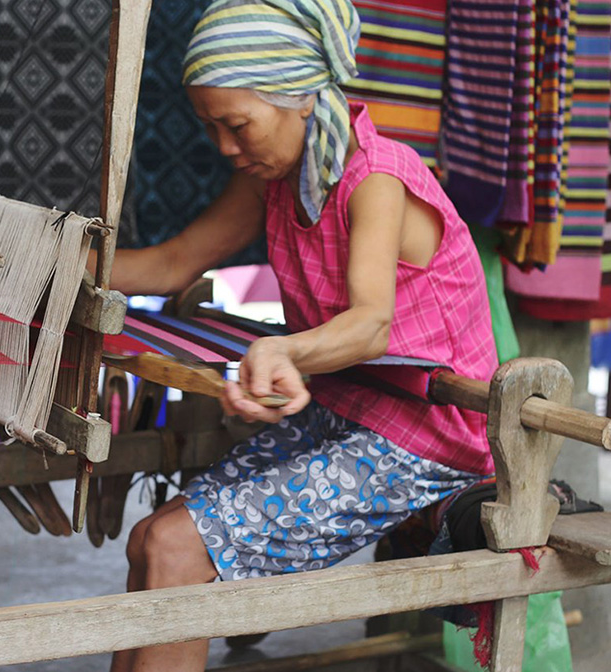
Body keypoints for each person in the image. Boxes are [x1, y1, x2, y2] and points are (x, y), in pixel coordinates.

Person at [94, 1, 498, 669]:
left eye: (238, 125)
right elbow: (172, 263)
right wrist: (52, 258)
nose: (227, 147)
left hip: (430, 436)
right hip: (353, 410)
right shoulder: (278, 178)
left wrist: (283, 349)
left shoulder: (378, 178)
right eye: (213, 128)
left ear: (300, 100)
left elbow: (370, 325)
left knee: (176, 549)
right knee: (150, 539)